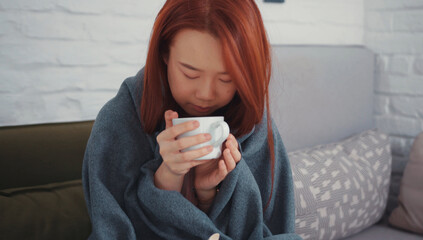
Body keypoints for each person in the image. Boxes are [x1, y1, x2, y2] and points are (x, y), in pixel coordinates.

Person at [82, 0, 301, 239]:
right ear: (164, 53)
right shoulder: (121, 118)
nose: (205, 94)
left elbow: (271, 228)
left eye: (226, 79)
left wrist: (209, 193)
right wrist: (167, 178)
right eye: (190, 73)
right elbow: (114, 230)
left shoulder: (253, 120)